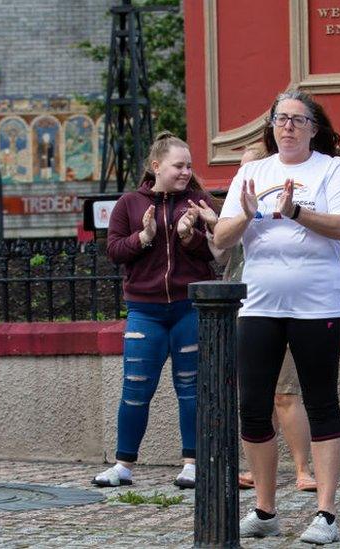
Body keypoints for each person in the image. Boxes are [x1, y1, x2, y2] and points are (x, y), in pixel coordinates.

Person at [213, 89, 340, 543]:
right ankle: (265, 509)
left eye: (299, 119)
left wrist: (297, 211)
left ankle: (326, 514)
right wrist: (247, 215)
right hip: (259, 304)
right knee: (253, 406)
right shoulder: (252, 171)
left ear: (314, 128)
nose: (289, 126)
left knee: (320, 400)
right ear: (272, 125)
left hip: (317, 304)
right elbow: (220, 238)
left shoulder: (331, 168)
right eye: (282, 118)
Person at [97, 131, 217, 489]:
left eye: (189, 165)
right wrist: (145, 237)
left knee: (191, 389)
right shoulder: (129, 204)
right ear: (156, 166)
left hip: (188, 309)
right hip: (144, 312)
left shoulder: (198, 202)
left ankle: (192, 464)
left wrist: (187, 236)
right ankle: (123, 465)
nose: (185, 171)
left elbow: (216, 253)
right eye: (178, 165)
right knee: (135, 388)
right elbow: (115, 251)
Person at [232, 142, 316, 494]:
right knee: (254, 395)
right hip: (243, 306)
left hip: (278, 304)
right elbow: (220, 249)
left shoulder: (284, 196)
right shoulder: (240, 201)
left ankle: (302, 468)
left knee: (284, 392)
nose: (246, 175)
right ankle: (256, 469)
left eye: (252, 167)